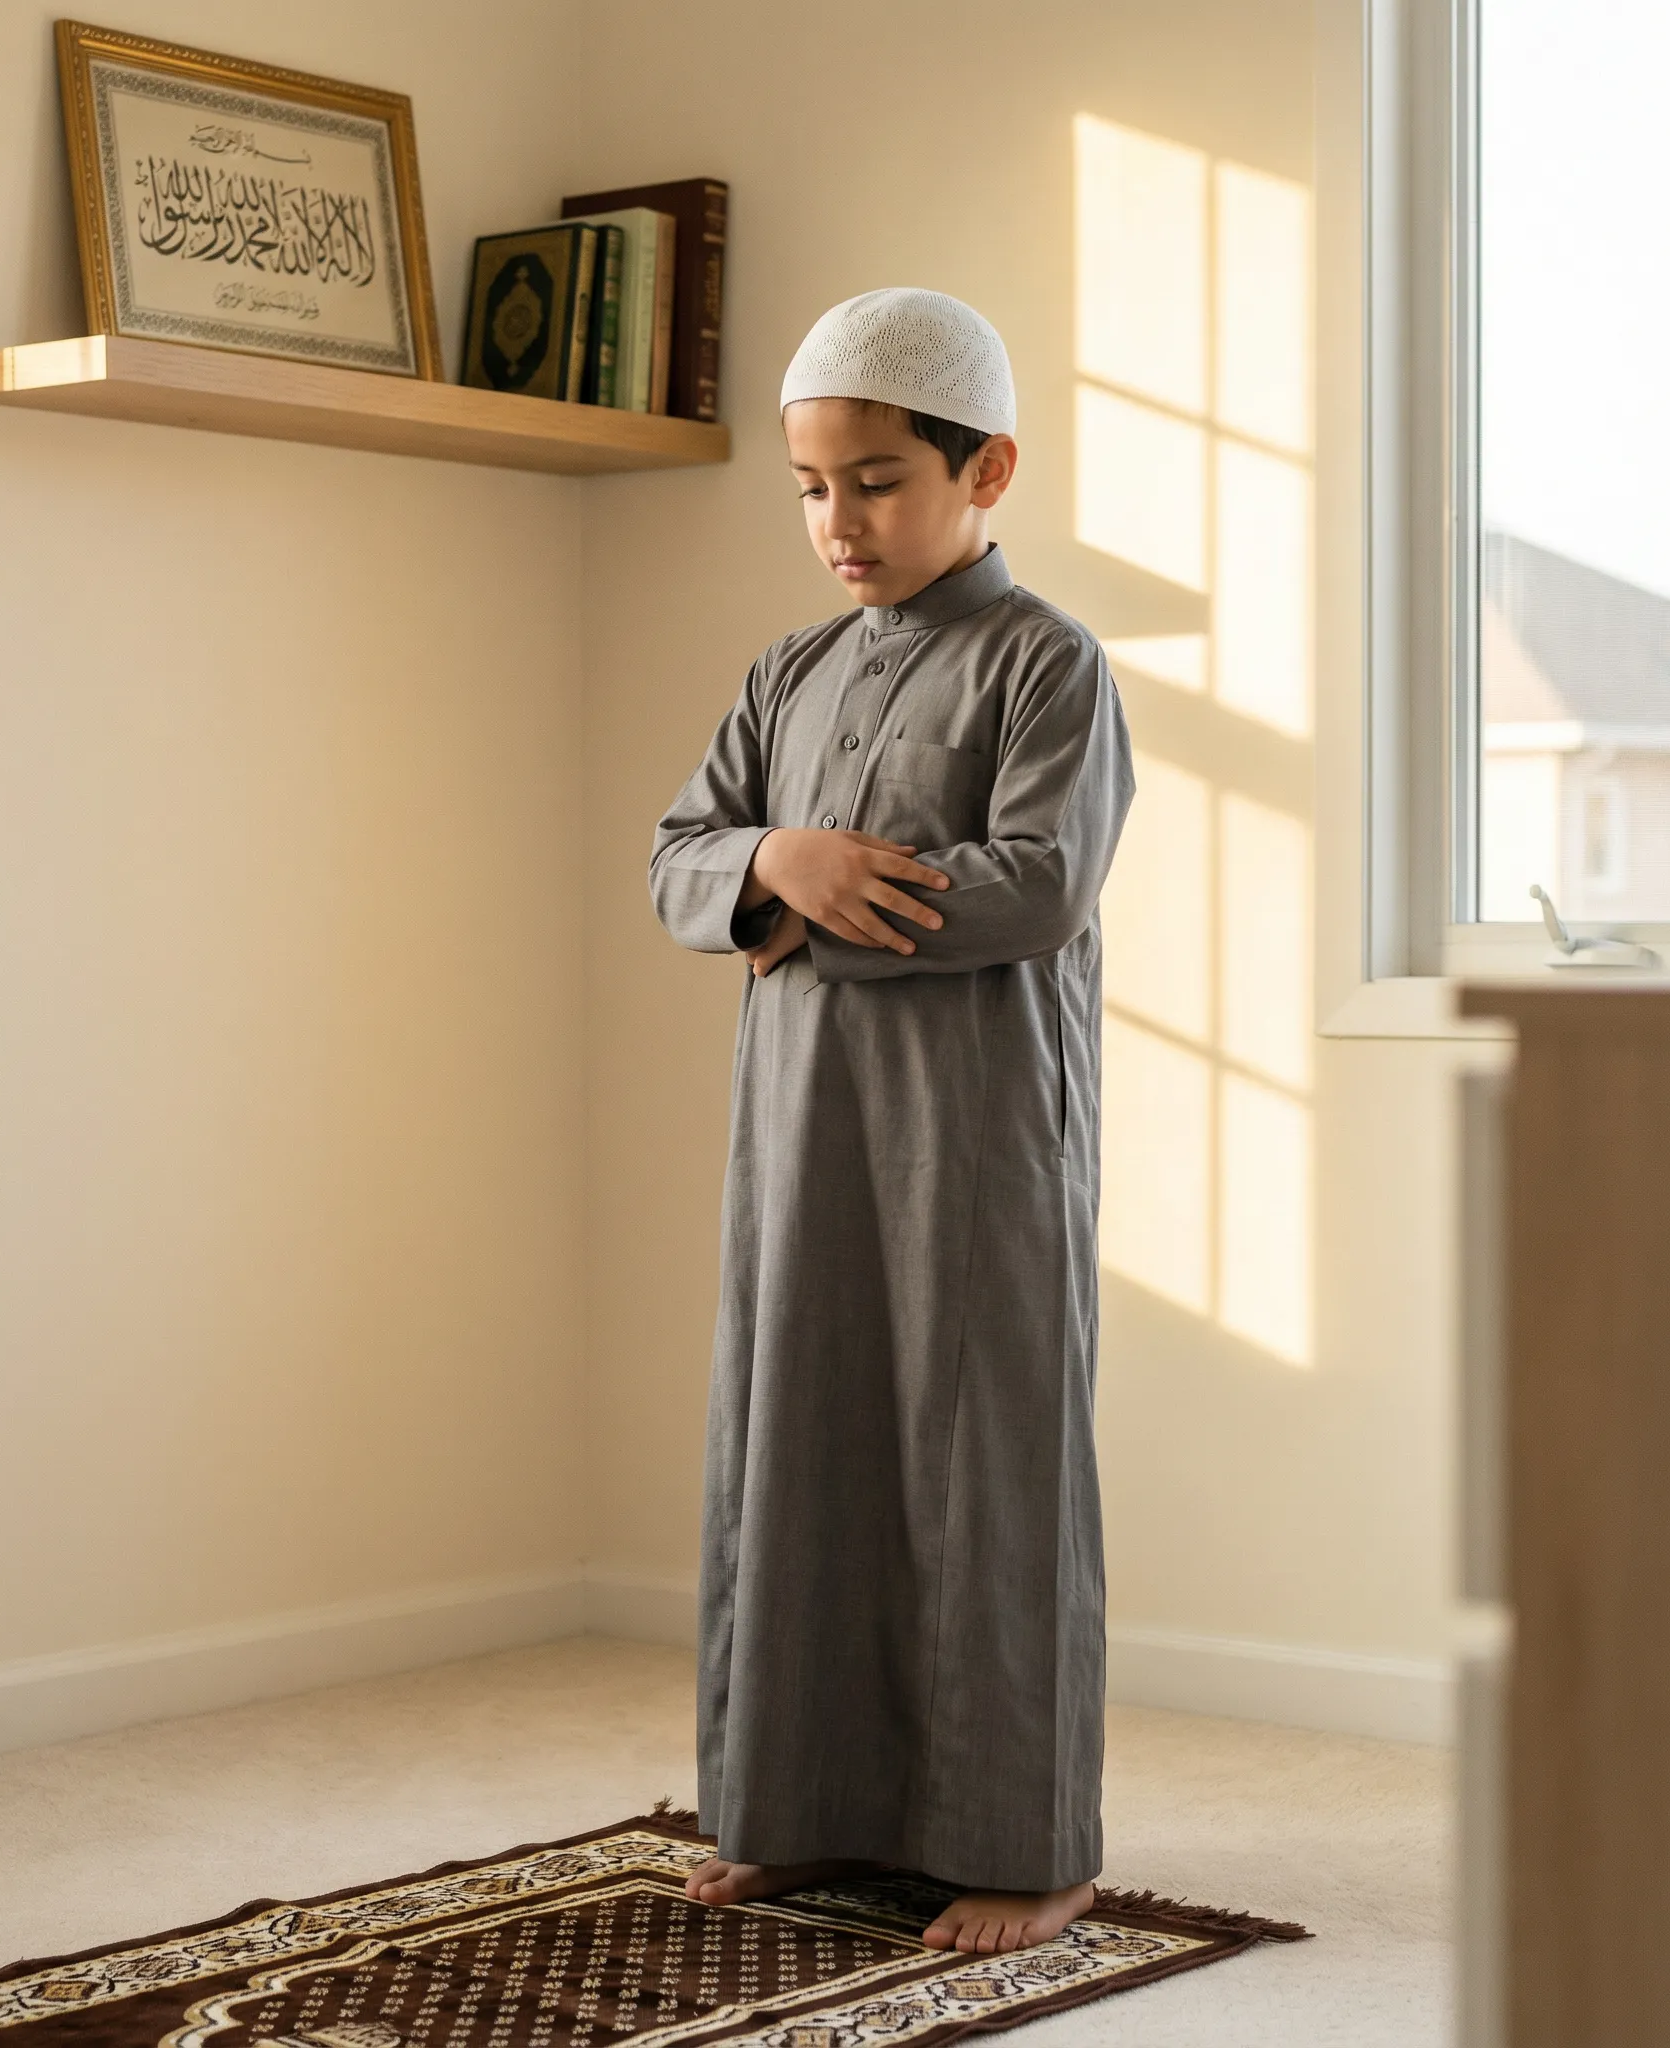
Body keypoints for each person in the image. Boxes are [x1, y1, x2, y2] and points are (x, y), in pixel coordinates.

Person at [649, 289, 1135, 1957]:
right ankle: (800, 1813)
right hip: (804, 1137)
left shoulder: (1046, 662)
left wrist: (808, 884)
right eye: (809, 486)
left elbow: (1039, 885)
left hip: (980, 1139)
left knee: (981, 1469)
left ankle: (1029, 1845)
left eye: (874, 481)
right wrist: (771, 863)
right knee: (803, 1447)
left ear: (984, 466)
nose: (835, 522)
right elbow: (679, 857)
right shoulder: (787, 670)